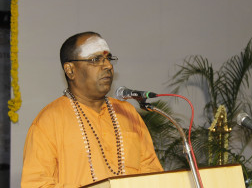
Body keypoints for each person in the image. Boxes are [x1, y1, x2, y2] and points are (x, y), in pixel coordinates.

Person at [21, 32, 163, 187]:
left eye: (108, 58)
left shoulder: (127, 112)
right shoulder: (48, 121)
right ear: (70, 70)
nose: (108, 66)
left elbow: (152, 173)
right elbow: (37, 184)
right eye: (96, 60)